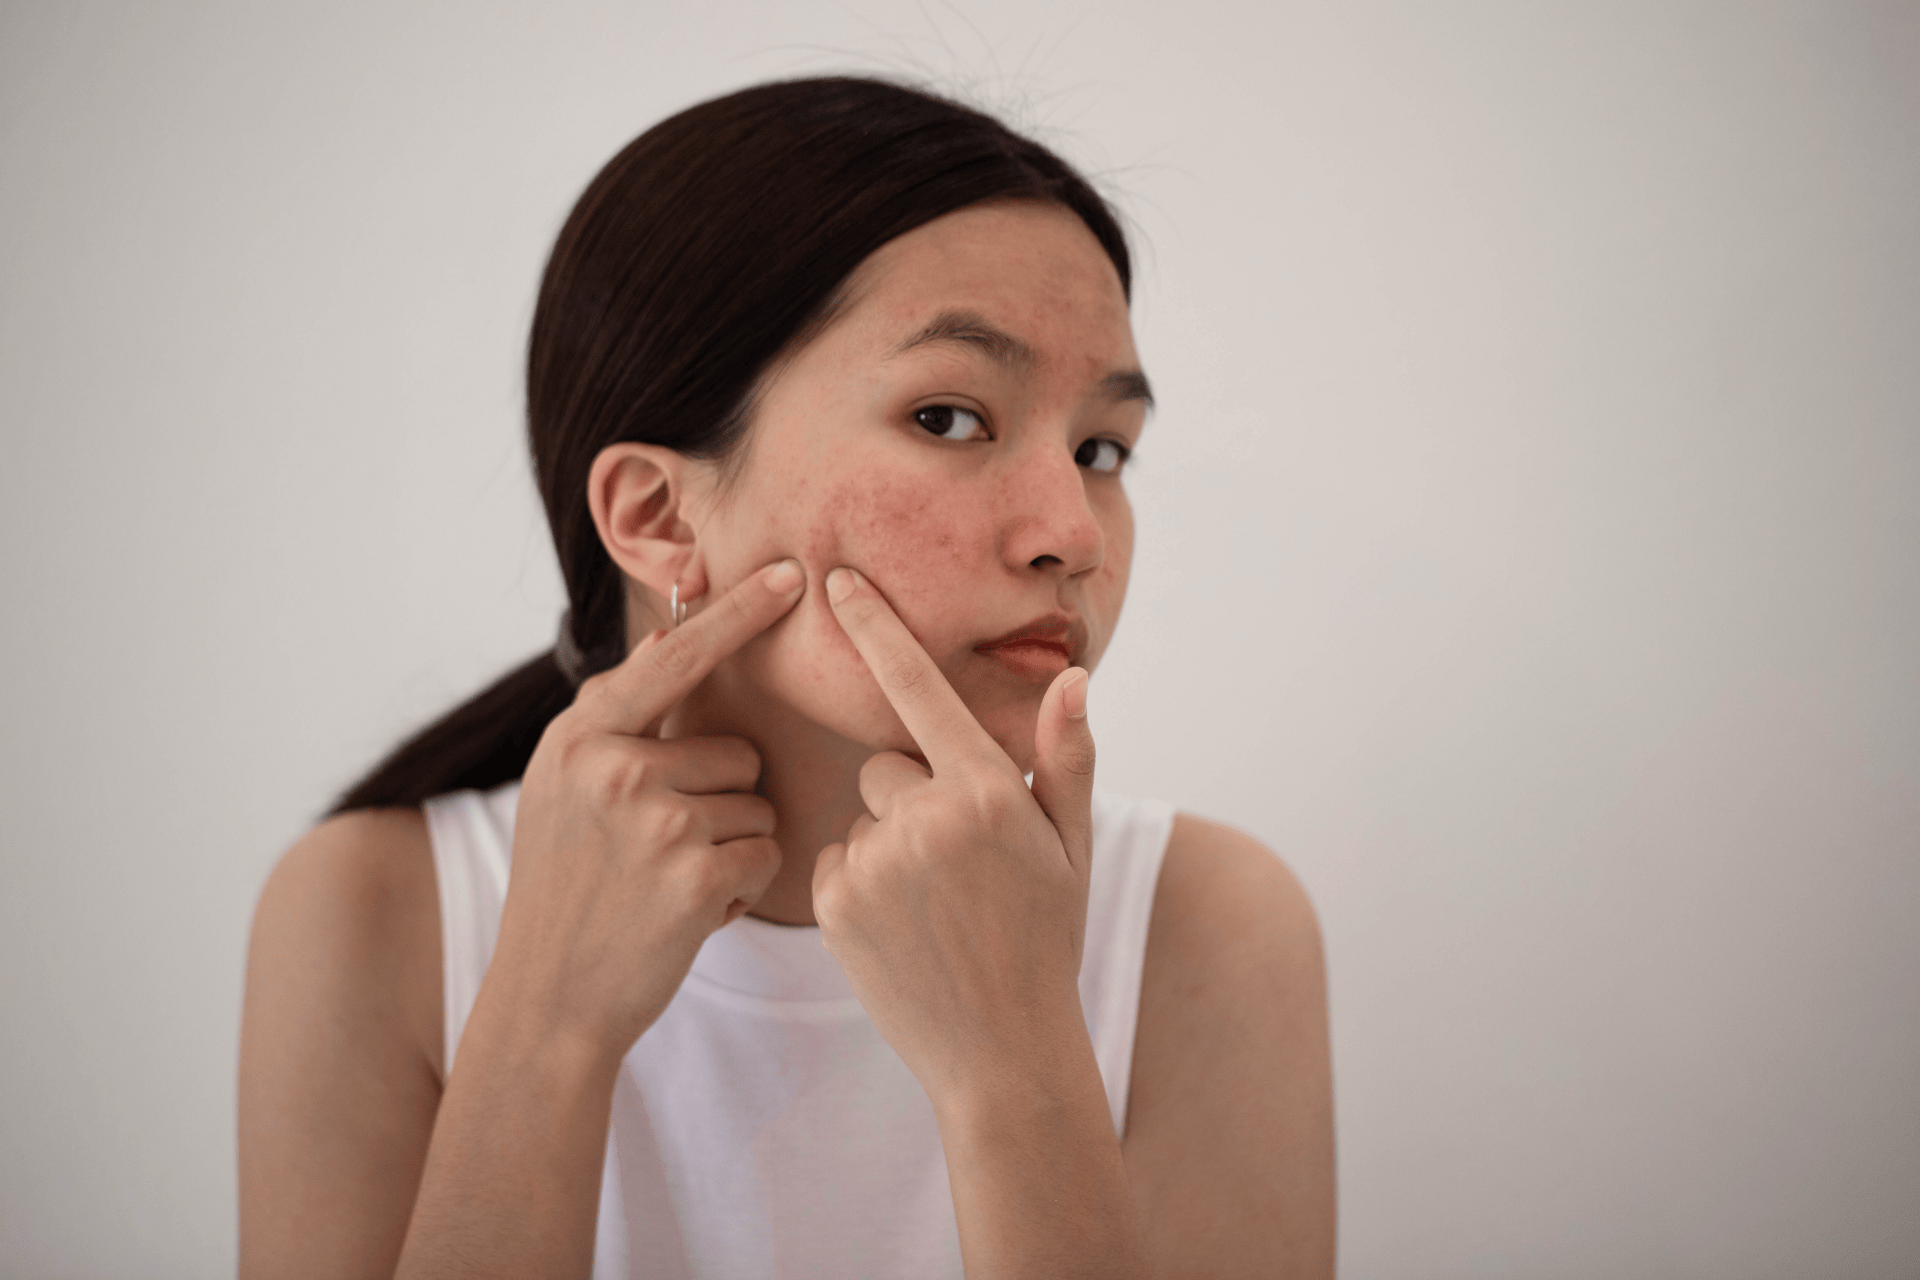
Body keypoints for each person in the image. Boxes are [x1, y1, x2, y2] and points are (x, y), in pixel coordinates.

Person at [237, 75, 1334, 1280]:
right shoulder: (379, 911)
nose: (1073, 530)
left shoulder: (1205, 925)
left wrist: (1016, 1068)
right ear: (658, 515)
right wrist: (544, 1029)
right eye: (952, 417)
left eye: (1101, 447)